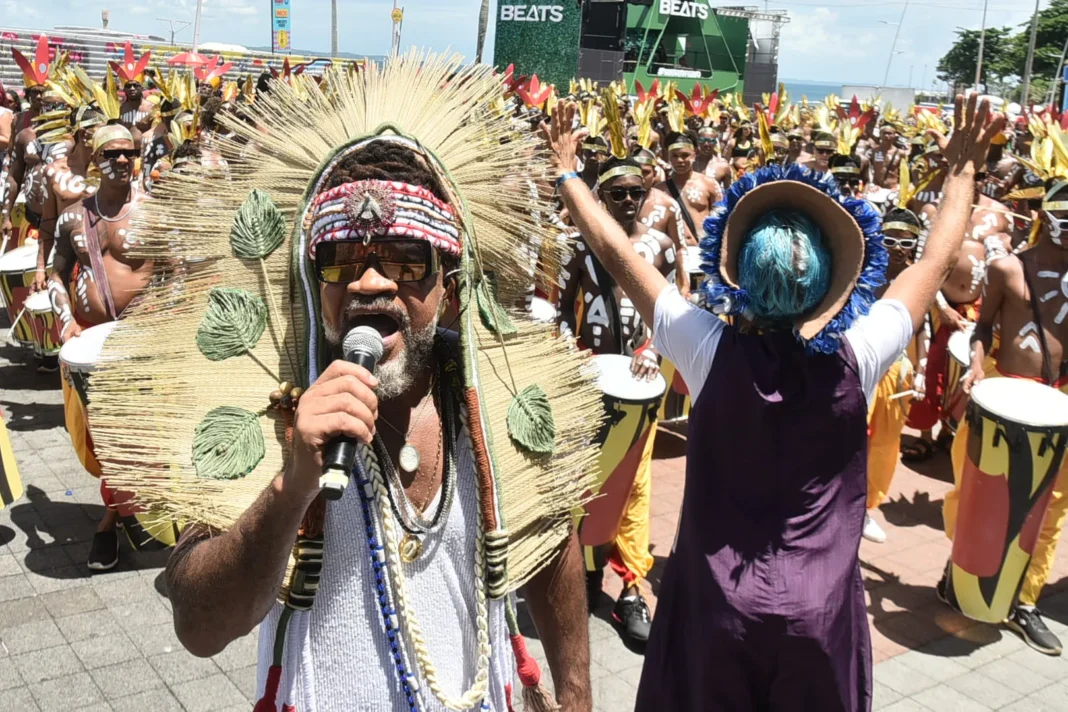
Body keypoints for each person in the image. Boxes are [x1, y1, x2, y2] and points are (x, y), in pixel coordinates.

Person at [136, 58, 594, 711]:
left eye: (407, 259)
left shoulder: (496, 395)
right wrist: (293, 485)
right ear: (314, 282)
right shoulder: (267, 402)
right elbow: (199, 626)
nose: (370, 283)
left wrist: (575, 693)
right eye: (341, 259)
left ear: (450, 283)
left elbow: (551, 541)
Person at [545, 93, 1002, 710]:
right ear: (829, 283)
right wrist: (963, 171)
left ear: (737, 276)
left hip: (716, 608)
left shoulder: (705, 348)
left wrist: (568, 173)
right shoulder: (862, 354)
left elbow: (617, 254)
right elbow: (934, 261)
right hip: (818, 617)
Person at [940, 161, 1068, 657]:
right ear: (1046, 217)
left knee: (1052, 508)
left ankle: (1025, 601)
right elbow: (983, 327)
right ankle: (962, 571)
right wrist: (975, 366)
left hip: (1057, 403)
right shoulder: (1007, 268)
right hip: (1006, 395)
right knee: (976, 493)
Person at [556, 154, 678, 643]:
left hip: (641, 388)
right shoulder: (576, 246)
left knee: (635, 485)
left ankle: (630, 588)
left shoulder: (661, 246)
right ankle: (585, 568)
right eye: (616, 193)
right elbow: (557, 309)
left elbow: (677, 307)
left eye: (635, 192)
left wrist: (653, 348)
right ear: (600, 197)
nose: (628, 201)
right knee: (586, 481)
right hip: (590, 385)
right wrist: (572, 357)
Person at [49, 123, 147, 570]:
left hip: (142, 343)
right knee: (104, 439)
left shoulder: (156, 213)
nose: (122, 160)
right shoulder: (73, 218)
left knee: (133, 435)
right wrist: (66, 320)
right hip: (92, 345)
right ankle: (126, 514)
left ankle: (110, 524)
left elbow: (181, 273)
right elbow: (55, 274)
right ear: (96, 159)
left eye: (130, 152)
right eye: (112, 153)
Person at [863, 206, 923, 543]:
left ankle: (866, 507)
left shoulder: (917, 280)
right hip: (860, 362)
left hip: (896, 369)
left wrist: (923, 368)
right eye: (890, 240)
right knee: (851, 436)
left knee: (886, 443)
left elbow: (922, 327)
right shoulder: (862, 270)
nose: (898, 248)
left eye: (906, 242)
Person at [654, 131, 722, 245]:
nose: (679, 160)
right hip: (675, 251)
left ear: (694, 156)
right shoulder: (659, 190)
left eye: (685, 155)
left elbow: (722, 219)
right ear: (669, 157)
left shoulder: (709, 184)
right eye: (674, 156)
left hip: (704, 249)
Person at [111, 42, 155, 136]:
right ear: (124, 89)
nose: (132, 88)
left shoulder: (152, 108)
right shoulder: (120, 110)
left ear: (141, 87)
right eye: (128, 86)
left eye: (135, 85)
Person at [870, 123, 902, 190]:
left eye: (889, 133)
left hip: (893, 189)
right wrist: (872, 185)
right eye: (884, 133)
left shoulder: (900, 153)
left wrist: (899, 186)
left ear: (894, 135)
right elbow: (869, 169)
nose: (886, 136)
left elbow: (904, 173)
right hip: (876, 188)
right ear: (880, 134)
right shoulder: (874, 151)